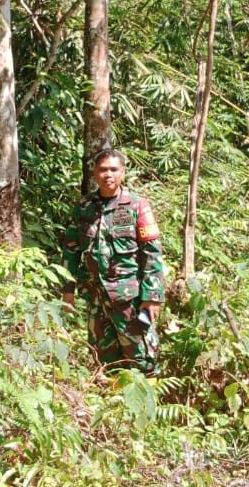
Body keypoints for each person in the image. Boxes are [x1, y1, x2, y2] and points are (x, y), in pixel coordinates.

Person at [60, 149, 166, 374]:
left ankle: (147, 407)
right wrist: (68, 290)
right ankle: (116, 405)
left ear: (123, 173)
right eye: (102, 169)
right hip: (95, 298)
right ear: (95, 173)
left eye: (113, 169)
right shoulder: (84, 207)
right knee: (104, 358)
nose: (108, 174)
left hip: (130, 299)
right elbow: (70, 250)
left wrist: (152, 297)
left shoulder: (137, 206)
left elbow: (152, 253)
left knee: (143, 357)